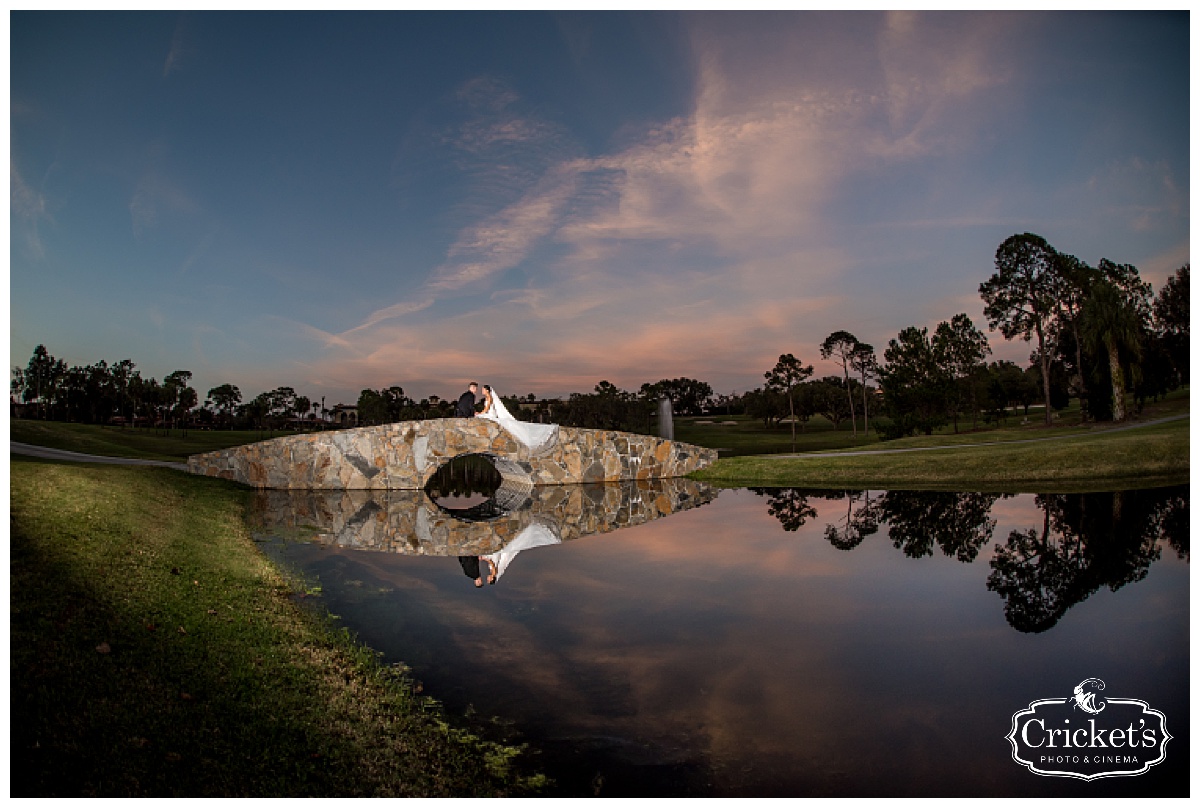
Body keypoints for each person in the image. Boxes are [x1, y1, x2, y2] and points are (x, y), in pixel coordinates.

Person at [477, 384, 559, 452]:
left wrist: (480, 413)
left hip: (491, 414)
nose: (482, 391)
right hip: (489, 413)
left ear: (487, 390)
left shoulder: (489, 397)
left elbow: (487, 408)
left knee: (478, 417)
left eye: (483, 389)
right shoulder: (487, 397)